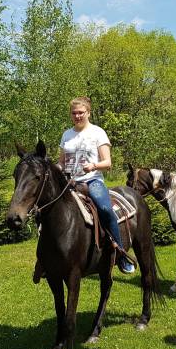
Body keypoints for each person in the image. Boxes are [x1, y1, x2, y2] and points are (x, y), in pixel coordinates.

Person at [58, 97, 135, 274]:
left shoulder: (98, 132)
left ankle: (121, 254)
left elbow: (108, 163)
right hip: (70, 182)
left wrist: (93, 165)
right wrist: (55, 168)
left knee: (105, 209)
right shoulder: (66, 135)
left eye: (80, 113)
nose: (77, 116)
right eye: (74, 113)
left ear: (88, 113)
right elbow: (62, 162)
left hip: (92, 180)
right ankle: (47, 259)